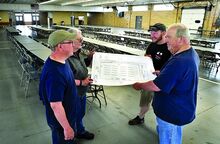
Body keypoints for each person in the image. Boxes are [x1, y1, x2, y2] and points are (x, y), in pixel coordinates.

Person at [133, 23, 200, 144]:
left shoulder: (180, 61)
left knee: (169, 139)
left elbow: (156, 86)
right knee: (171, 135)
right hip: (178, 108)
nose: (166, 40)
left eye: (169, 37)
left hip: (171, 113)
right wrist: (162, 73)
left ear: (181, 39)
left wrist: (139, 85)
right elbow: (179, 76)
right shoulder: (190, 53)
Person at [39, 29, 83, 144]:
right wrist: (67, 128)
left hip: (68, 116)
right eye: (70, 42)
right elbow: (55, 105)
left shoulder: (62, 61)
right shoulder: (54, 73)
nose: (73, 44)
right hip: (61, 124)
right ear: (60, 46)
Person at [128, 23, 171, 125]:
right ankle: (140, 117)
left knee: (163, 104)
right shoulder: (152, 45)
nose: (152, 35)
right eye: (151, 32)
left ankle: (162, 123)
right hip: (149, 78)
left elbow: (173, 66)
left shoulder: (169, 47)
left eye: (155, 33)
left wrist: (161, 72)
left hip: (164, 80)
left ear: (164, 33)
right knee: (145, 100)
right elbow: (145, 60)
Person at [67, 28, 95, 140]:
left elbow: (83, 65)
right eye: (80, 38)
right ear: (71, 40)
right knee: (73, 116)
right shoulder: (66, 57)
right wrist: (82, 82)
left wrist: (89, 58)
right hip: (73, 94)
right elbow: (65, 79)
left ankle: (80, 131)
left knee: (80, 114)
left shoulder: (78, 52)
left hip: (82, 92)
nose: (82, 40)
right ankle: (71, 135)